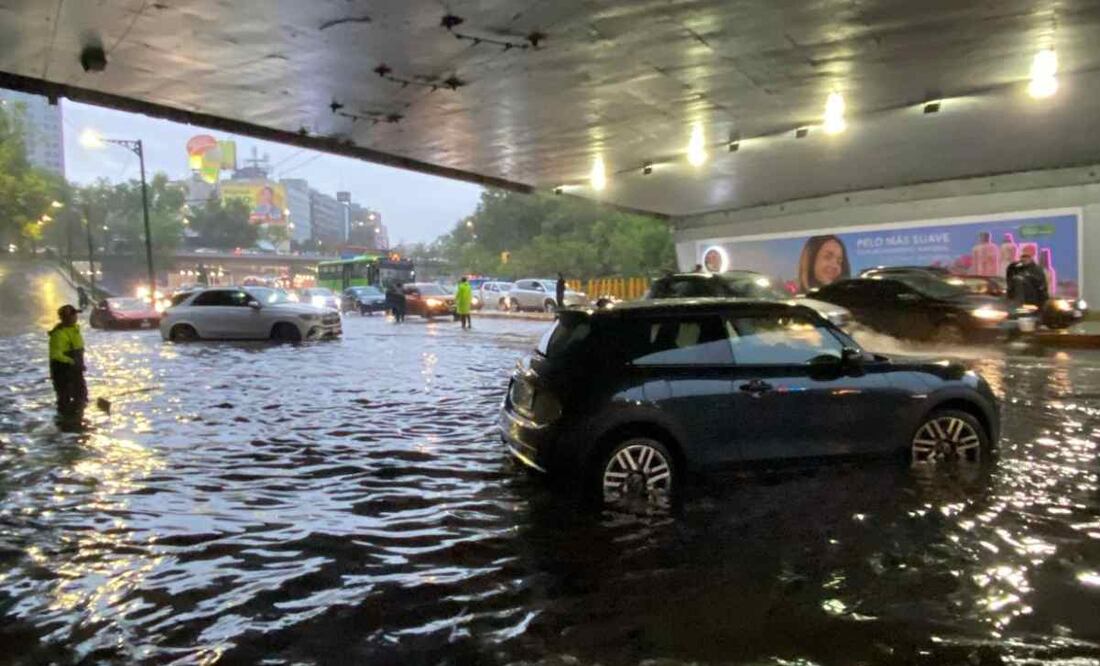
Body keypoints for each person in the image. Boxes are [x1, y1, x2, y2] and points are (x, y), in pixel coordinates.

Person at [49, 304, 88, 419]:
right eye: (73, 315)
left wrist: (79, 364)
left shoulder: (75, 329)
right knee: (64, 399)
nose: (76, 317)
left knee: (81, 395)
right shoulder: (58, 334)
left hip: (75, 370)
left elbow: (78, 349)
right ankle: (65, 422)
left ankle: (78, 419)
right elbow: (56, 354)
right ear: (66, 318)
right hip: (62, 371)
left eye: (75, 314)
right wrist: (72, 362)